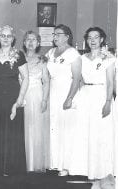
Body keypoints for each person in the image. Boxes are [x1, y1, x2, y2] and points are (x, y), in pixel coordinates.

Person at [68, 27, 115, 179]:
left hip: (101, 96)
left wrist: (108, 101)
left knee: (100, 134)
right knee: (84, 133)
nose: (92, 40)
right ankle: (84, 169)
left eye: (96, 37)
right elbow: (79, 80)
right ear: (86, 40)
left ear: (102, 39)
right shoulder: (81, 58)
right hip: (86, 96)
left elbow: (110, 82)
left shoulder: (109, 58)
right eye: (89, 38)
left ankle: (100, 171)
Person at [0, 25, 29, 176]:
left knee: (11, 131)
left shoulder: (19, 54)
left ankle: (10, 167)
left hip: (13, 96)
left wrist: (20, 100)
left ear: (13, 38)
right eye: (3, 36)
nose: (6, 39)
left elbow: (26, 78)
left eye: (9, 36)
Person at [46, 24, 81, 176]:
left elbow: (77, 78)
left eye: (58, 34)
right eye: (54, 34)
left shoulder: (73, 53)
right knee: (54, 126)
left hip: (66, 91)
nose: (55, 37)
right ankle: (55, 162)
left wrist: (70, 97)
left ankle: (66, 165)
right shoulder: (50, 52)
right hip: (53, 92)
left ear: (67, 36)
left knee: (66, 128)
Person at [22, 31, 50, 172]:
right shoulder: (18, 58)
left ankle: (35, 163)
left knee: (36, 128)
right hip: (22, 95)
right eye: (28, 40)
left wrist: (44, 99)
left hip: (37, 95)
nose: (31, 42)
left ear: (38, 43)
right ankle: (24, 161)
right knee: (23, 128)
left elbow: (46, 81)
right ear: (24, 42)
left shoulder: (43, 60)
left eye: (34, 40)